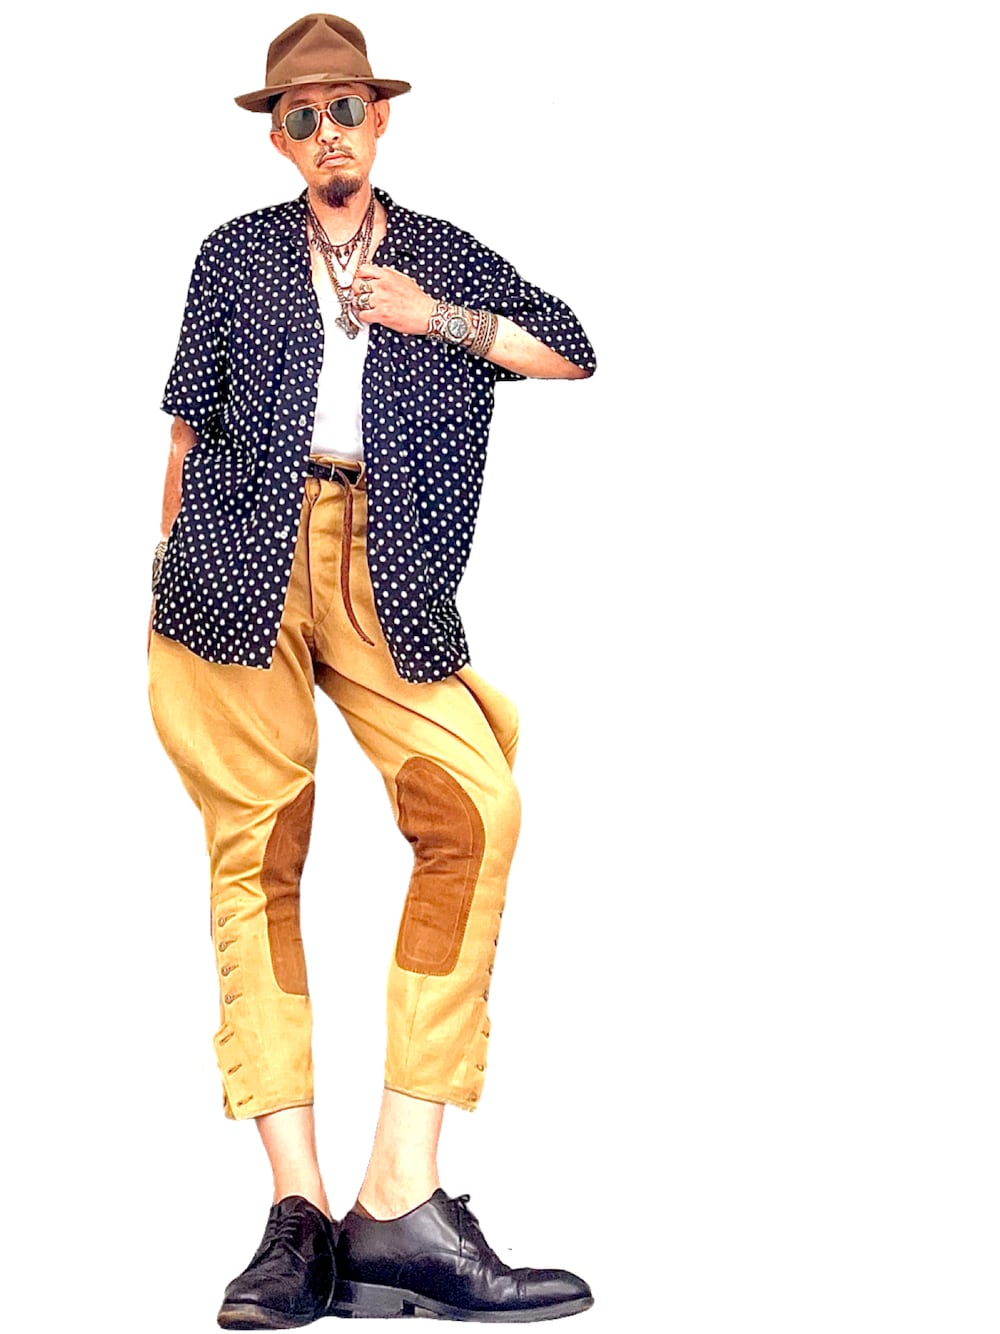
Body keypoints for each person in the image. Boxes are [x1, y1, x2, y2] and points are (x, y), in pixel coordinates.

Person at [148, 13, 596, 1329]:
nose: (327, 131)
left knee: (476, 808)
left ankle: (398, 1196)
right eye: (302, 116)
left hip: (384, 571)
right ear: (279, 140)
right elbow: (185, 426)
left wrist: (435, 316)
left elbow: (571, 346)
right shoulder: (234, 255)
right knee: (258, 851)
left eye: (346, 107)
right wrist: (168, 564)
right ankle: (295, 1214)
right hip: (231, 557)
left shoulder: (443, 252)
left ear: (381, 118)